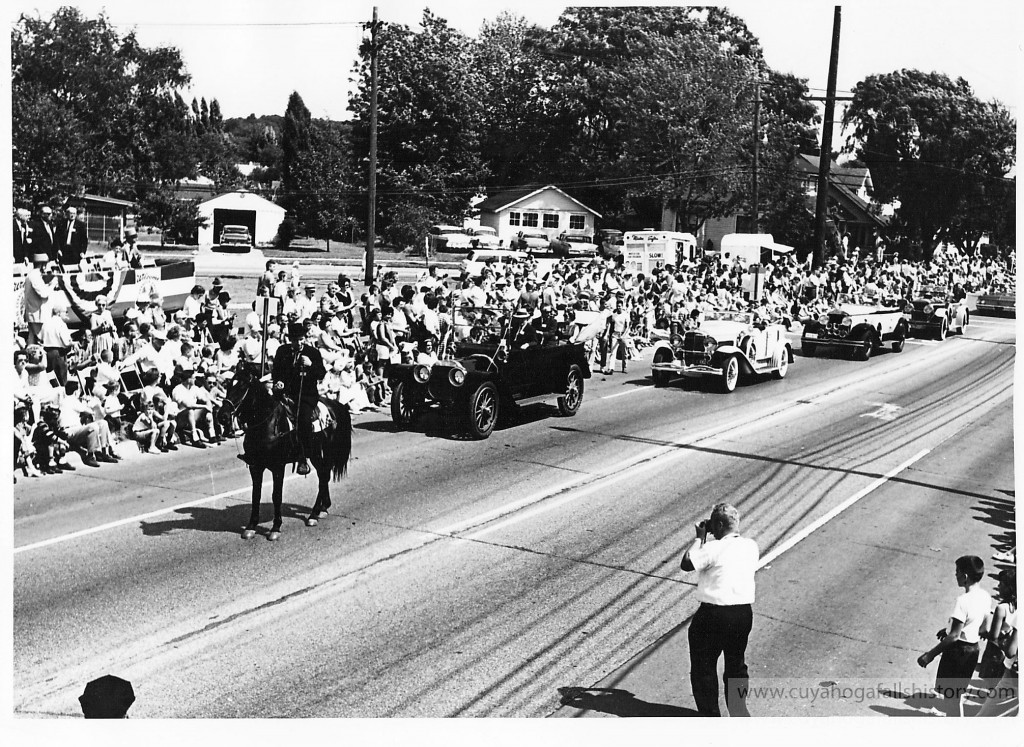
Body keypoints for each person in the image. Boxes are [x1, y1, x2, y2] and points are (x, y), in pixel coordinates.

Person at [680, 502, 759, 717]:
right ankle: (739, 712)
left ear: (721, 524)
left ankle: (711, 717)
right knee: (736, 665)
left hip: (713, 615)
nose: (712, 531)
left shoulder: (713, 548)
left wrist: (699, 537)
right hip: (742, 614)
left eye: (714, 526)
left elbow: (687, 563)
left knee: (704, 667)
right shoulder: (751, 546)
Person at [917, 555, 990, 715]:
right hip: (973, 651)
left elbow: (954, 637)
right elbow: (983, 626)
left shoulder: (963, 600)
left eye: (957, 572)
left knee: (951, 699)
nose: (955, 575)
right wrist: (950, 629)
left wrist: (930, 655)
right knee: (956, 696)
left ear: (965, 577)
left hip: (958, 653)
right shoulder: (985, 596)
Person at [264, 320, 327, 474]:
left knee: (303, 419)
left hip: (305, 395)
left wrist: (311, 365)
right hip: (285, 393)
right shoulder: (282, 351)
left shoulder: (313, 353)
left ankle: (303, 457)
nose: (298, 343)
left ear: (304, 338)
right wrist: (278, 382)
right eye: (294, 340)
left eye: (300, 339)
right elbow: (277, 371)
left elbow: (321, 374)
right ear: (289, 339)